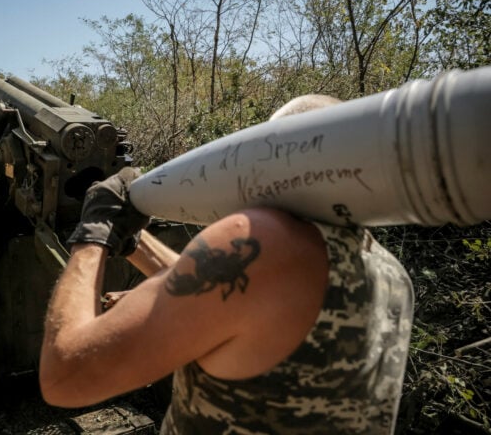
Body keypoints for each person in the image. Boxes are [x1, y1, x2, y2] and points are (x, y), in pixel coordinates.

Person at [39, 96, 414, 434]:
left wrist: (93, 234)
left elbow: (65, 376)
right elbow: (228, 297)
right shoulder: (390, 271)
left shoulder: (262, 239)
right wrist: (133, 241)